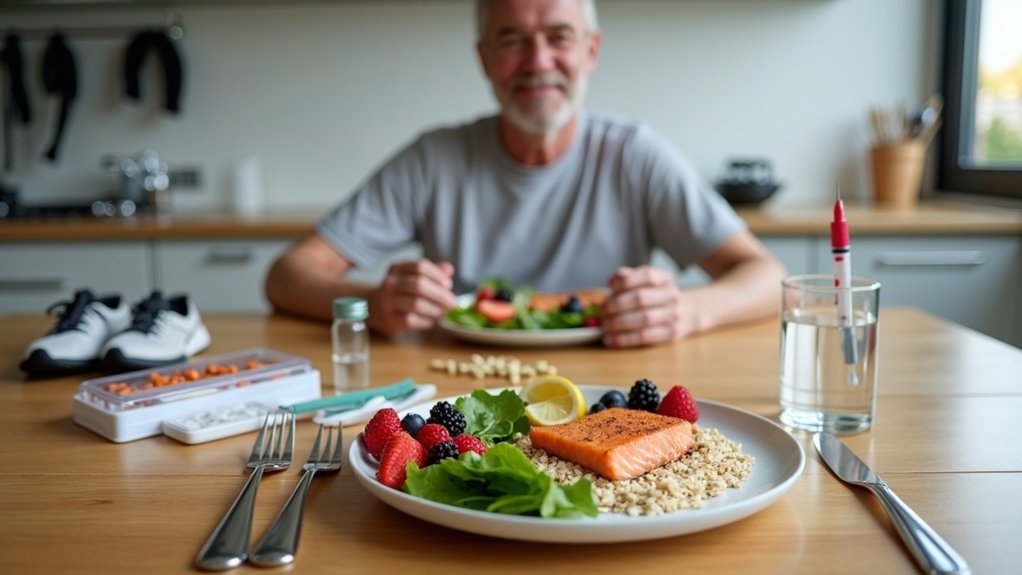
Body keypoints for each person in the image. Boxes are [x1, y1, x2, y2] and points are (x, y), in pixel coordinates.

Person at [265, 0, 786, 348]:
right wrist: (375, 303)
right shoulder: (433, 159)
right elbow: (287, 276)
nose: (538, 62)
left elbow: (768, 278)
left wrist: (687, 312)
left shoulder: (635, 155)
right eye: (513, 41)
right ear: (485, 60)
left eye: (559, 38)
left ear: (590, 51)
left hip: (614, 385)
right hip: (464, 391)